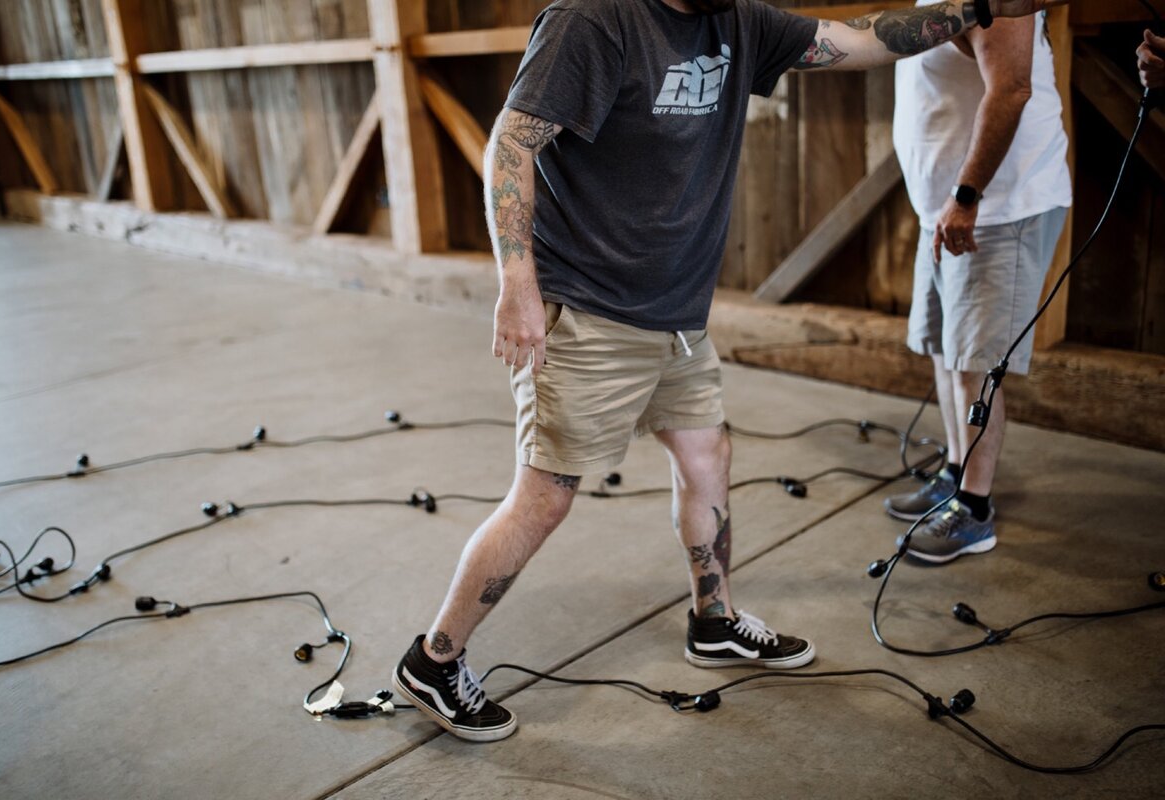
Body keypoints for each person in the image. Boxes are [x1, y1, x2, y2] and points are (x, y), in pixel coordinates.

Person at [394, 0, 1064, 742]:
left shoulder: (739, 21)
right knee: (546, 495)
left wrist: (979, 9)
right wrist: (517, 282)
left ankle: (712, 619)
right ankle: (434, 660)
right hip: (586, 305)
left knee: (707, 454)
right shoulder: (593, 20)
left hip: (675, 310)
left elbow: (868, 40)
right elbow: (511, 145)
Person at [883, 3, 1071, 564]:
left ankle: (975, 509)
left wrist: (966, 197)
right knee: (947, 353)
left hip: (994, 206)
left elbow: (1012, 89)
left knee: (975, 366)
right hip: (946, 208)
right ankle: (955, 472)